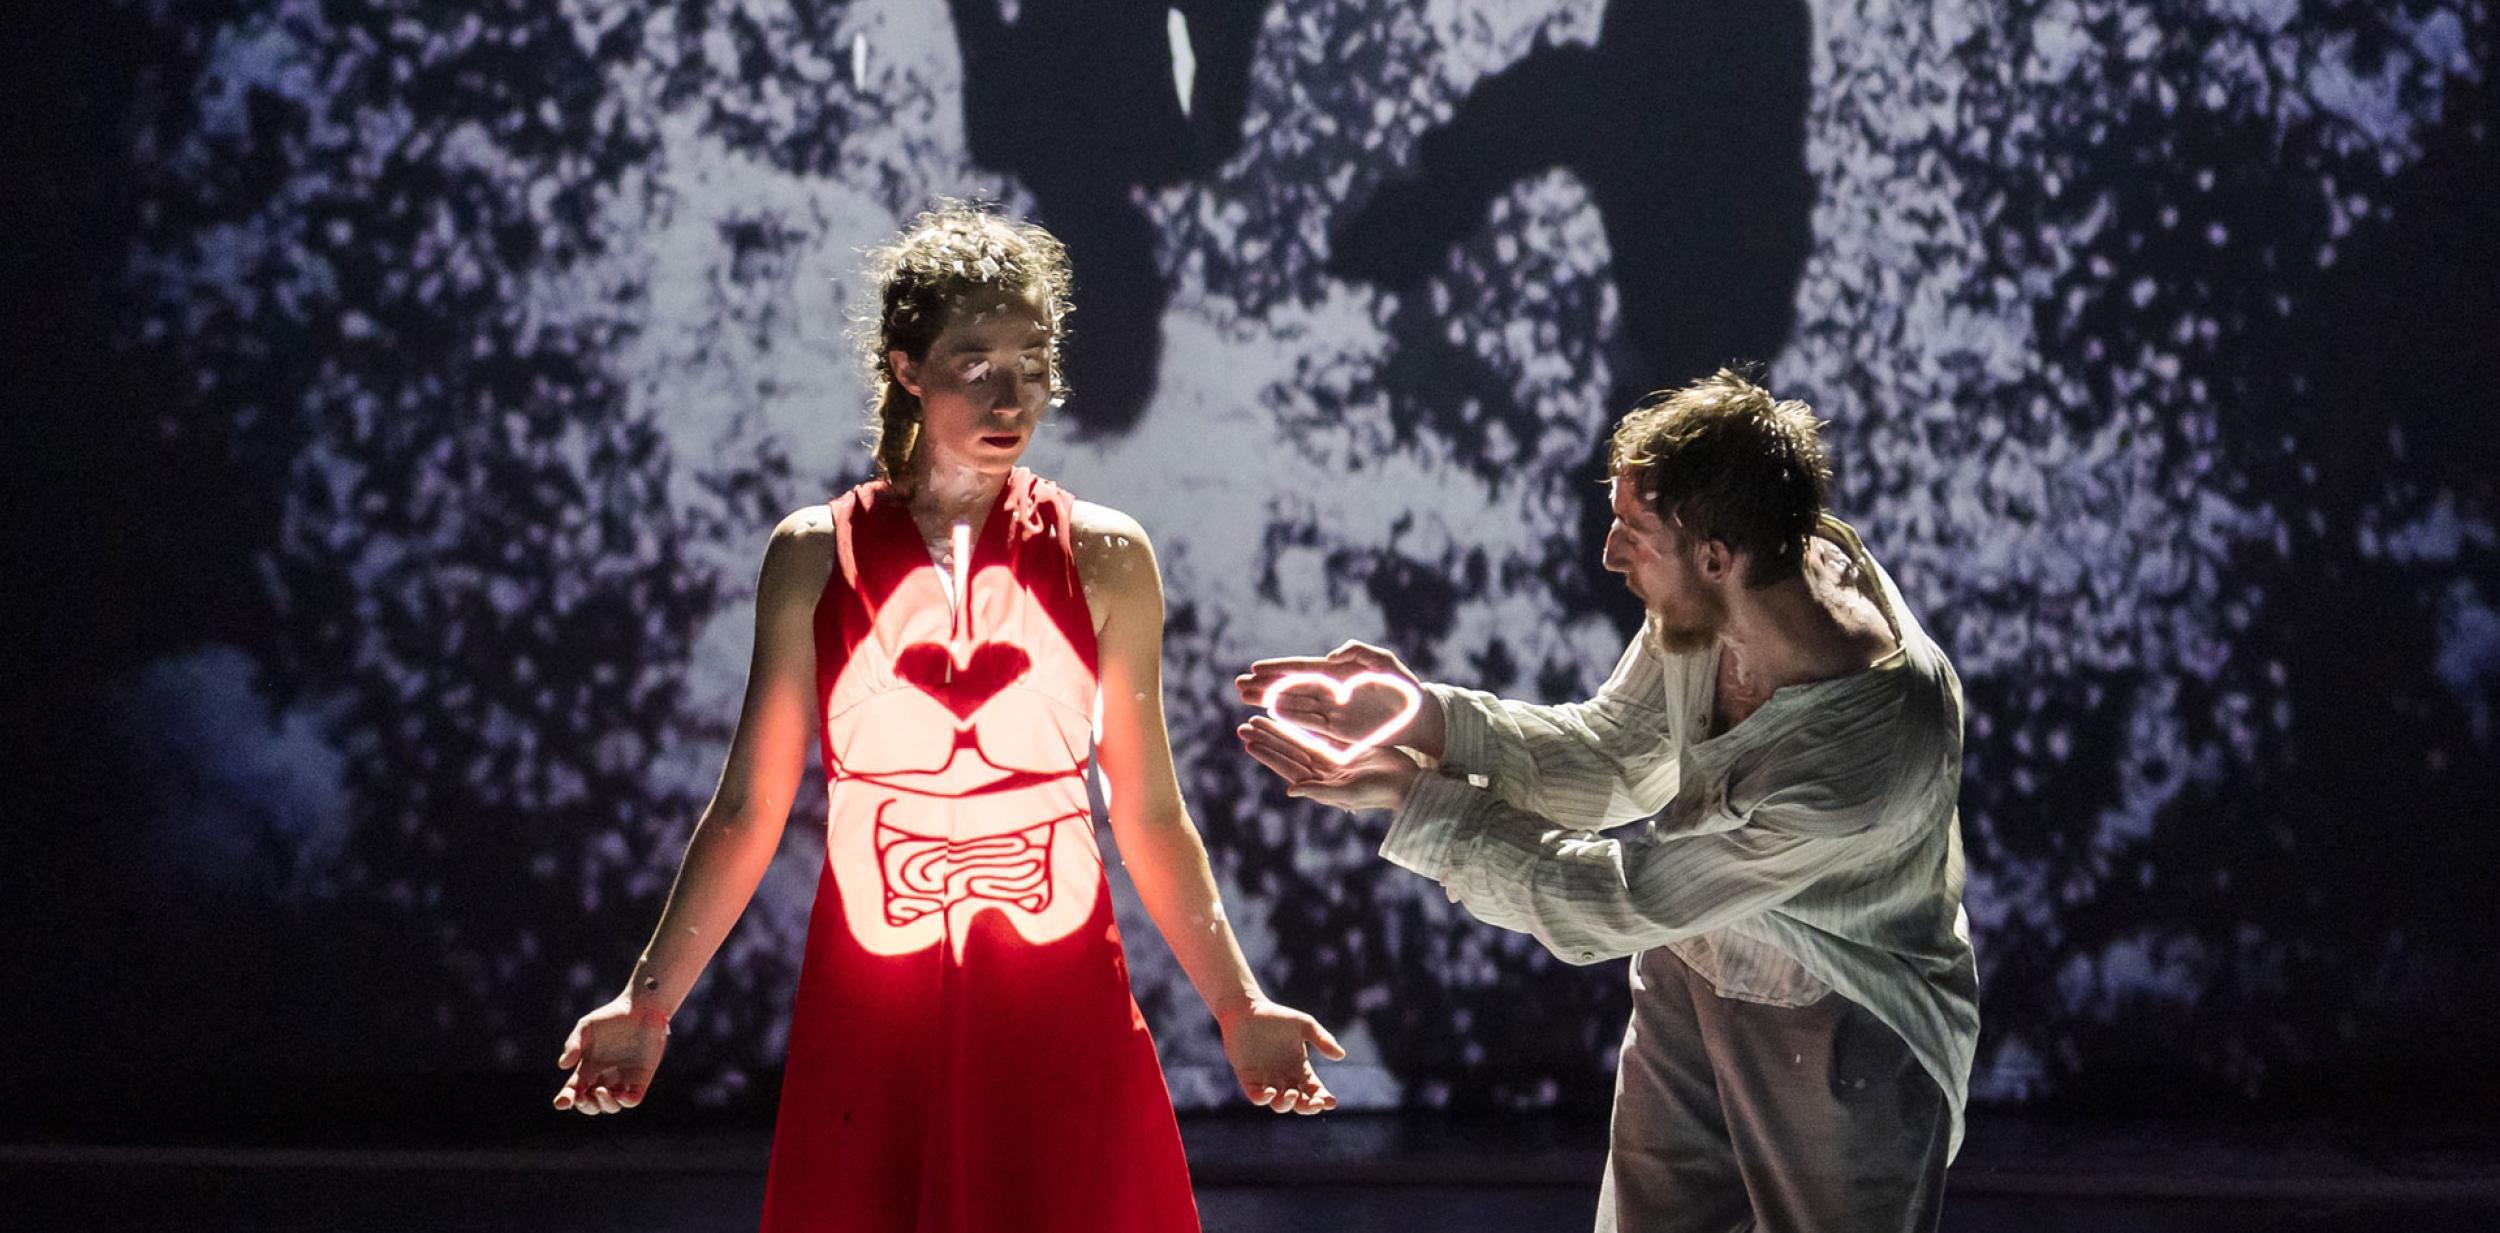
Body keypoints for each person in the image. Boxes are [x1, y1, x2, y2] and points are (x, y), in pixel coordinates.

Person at [555, 203, 1343, 1233]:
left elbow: (1150, 810)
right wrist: (647, 1002)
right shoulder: (812, 556)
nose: (1011, 390)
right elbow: (749, 806)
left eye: (1032, 358)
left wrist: (1238, 1007)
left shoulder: (1107, 556)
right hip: (872, 1018)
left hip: (1060, 1007)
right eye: (974, 360)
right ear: (906, 368)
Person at [1237, 370, 1977, 1233]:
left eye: (1633, 532)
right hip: (1693, 970)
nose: (1608, 554)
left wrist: (1417, 801)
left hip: (1845, 1026)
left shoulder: (1865, 751)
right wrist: (1430, 721)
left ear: (1716, 556)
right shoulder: (1726, 593)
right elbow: (1610, 757)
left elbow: (1622, 898)